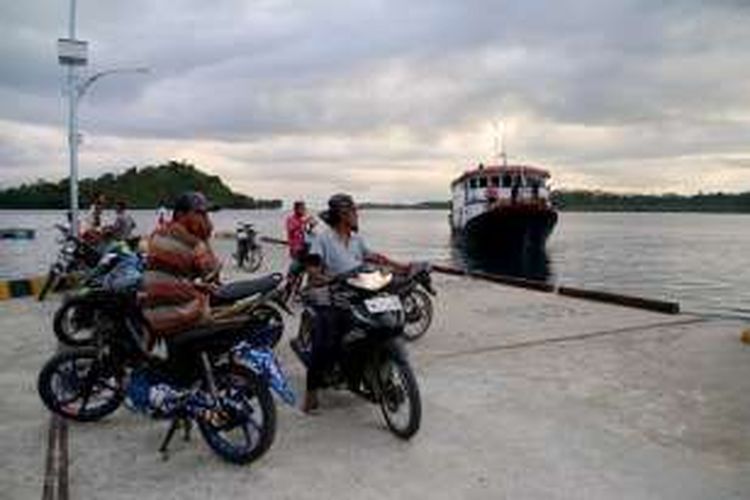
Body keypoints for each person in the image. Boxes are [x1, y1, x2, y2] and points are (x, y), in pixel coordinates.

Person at [301, 193, 408, 413]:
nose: (357, 215)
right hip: (331, 297)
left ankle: (367, 369)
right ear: (342, 215)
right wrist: (327, 278)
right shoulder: (322, 238)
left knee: (379, 325)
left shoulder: (357, 240)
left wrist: (402, 267)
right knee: (326, 343)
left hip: (358, 294)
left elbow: (374, 258)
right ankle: (310, 394)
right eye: (353, 211)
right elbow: (312, 269)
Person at [140, 192, 220, 341]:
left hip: (152, 313)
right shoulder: (192, 242)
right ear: (181, 214)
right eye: (199, 213)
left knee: (204, 290)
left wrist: (199, 286)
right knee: (218, 305)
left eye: (205, 214)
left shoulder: (158, 233)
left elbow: (172, 273)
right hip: (174, 315)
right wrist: (205, 238)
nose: (204, 219)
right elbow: (212, 273)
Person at [283, 200, 316, 301]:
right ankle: (286, 292)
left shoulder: (302, 220)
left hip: (305, 249)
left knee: (303, 271)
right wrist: (304, 221)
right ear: (296, 209)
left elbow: (307, 233)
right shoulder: (290, 219)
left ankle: (298, 292)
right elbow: (292, 229)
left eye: (304, 208)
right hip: (296, 250)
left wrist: (311, 226)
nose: (304, 210)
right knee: (294, 272)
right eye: (302, 208)